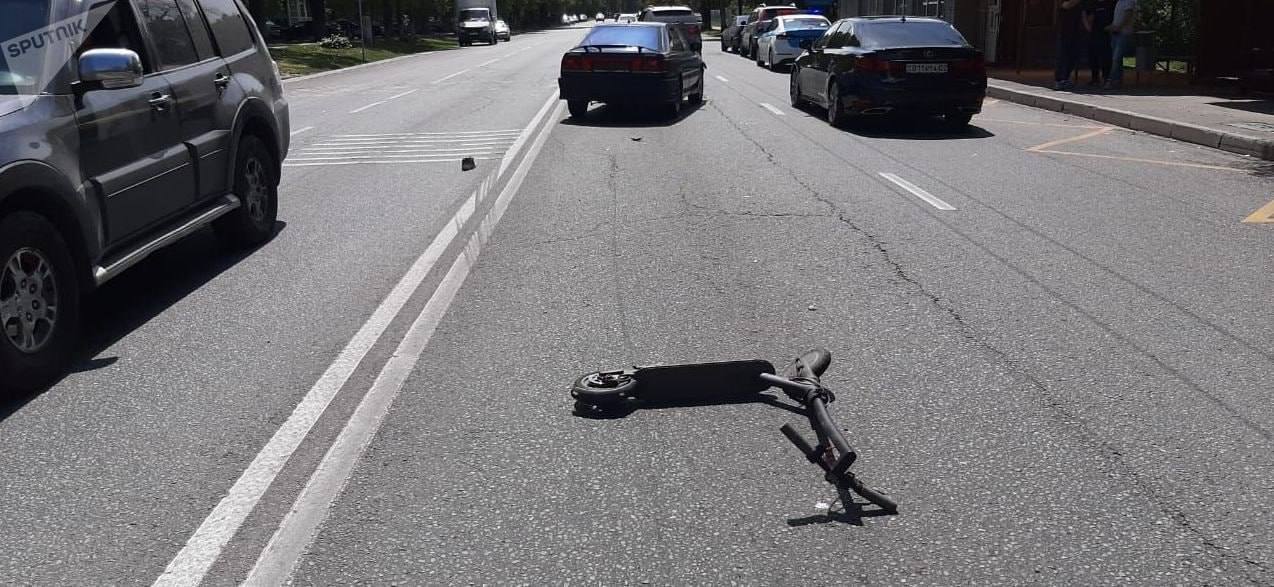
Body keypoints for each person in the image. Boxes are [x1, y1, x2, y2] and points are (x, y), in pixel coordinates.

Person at [1105, 0, 1137, 90]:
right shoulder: (1119, 2)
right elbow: (1117, 18)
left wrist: (1119, 27)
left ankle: (1111, 80)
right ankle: (1117, 81)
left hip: (1124, 33)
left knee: (1116, 58)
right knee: (1116, 59)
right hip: (1115, 33)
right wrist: (1112, 26)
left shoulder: (1129, 1)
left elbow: (1128, 15)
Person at [1054, 0, 1084, 90]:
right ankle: (1060, 80)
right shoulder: (1064, 2)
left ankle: (1065, 78)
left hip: (1075, 32)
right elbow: (1066, 5)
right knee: (1063, 56)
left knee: (1073, 55)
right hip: (1065, 32)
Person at [1084, 0, 1114, 86]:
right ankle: (1095, 78)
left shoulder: (1110, 3)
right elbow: (1086, 16)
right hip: (1094, 33)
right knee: (1093, 56)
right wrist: (1088, 27)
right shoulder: (1092, 4)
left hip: (1107, 33)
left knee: (1107, 56)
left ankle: (1107, 77)